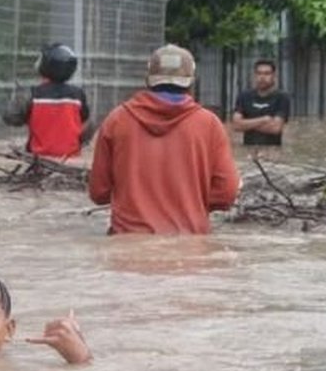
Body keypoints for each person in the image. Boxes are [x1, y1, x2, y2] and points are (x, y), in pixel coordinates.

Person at [88, 44, 241, 234]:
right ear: (191, 82)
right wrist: (191, 203)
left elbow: (98, 192)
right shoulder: (209, 124)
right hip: (190, 246)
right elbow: (227, 193)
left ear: (148, 80)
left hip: (128, 245)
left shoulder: (117, 120)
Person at [2, 43, 93, 160]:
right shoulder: (78, 95)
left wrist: (20, 105)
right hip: (71, 158)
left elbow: (10, 118)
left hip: (39, 159)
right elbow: (85, 119)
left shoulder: (32, 94)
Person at [230, 59, 291, 146]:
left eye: (267, 73)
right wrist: (264, 120)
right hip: (248, 150)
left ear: (274, 76)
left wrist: (246, 124)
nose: (262, 77)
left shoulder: (282, 97)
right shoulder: (244, 96)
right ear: (254, 75)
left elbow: (276, 128)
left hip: (273, 151)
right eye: (259, 73)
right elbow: (236, 125)